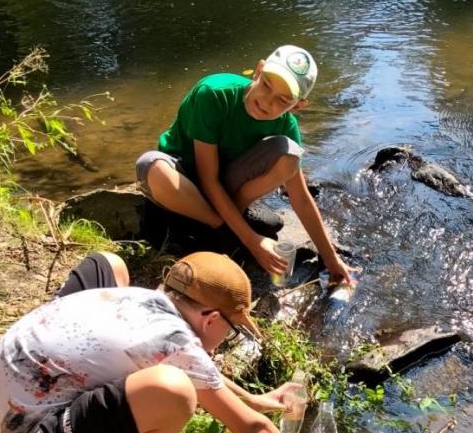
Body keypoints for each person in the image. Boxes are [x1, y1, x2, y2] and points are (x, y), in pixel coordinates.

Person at [0, 250, 342, 433]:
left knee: (108, 264)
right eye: (231, 331)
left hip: (0, 392)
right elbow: (250, 428)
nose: (227, 340)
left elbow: (196, 366)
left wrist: (253, 397)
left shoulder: (139, 298)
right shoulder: (171, 340)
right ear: (211, 318)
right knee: (175, 391)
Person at [134, 44, 355, 286]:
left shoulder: (286, 127)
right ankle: (223, 229)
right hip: (185, 176)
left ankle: (228, 221)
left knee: (288, 154)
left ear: (299, 105)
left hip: (226, 184)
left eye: (283, 100)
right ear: (258, 70)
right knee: (151, 166)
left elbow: (301, 198)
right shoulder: (215, 94)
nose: (266, 102)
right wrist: (252, 240)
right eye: (267, 85)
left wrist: (331, 259)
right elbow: (208, 179)